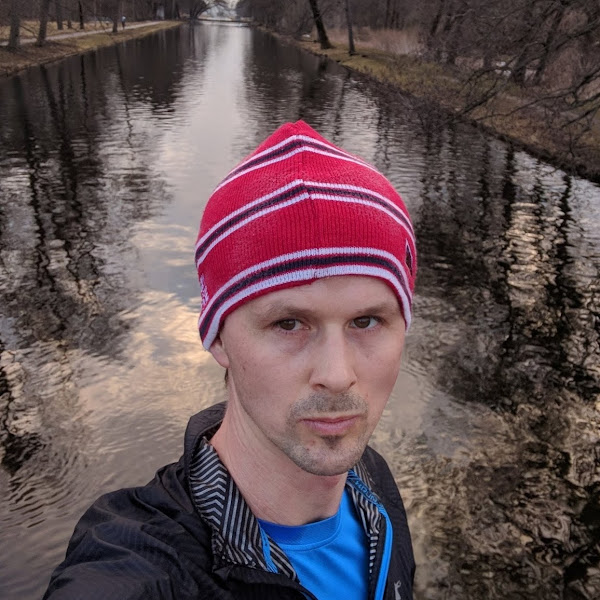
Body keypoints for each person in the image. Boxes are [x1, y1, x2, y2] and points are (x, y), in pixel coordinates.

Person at [43, 121, 417, 600]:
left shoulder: (373, 486)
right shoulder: (145, 569)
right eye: (289, 324)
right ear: (217, 337)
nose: (337, 375)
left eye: (366, 321)